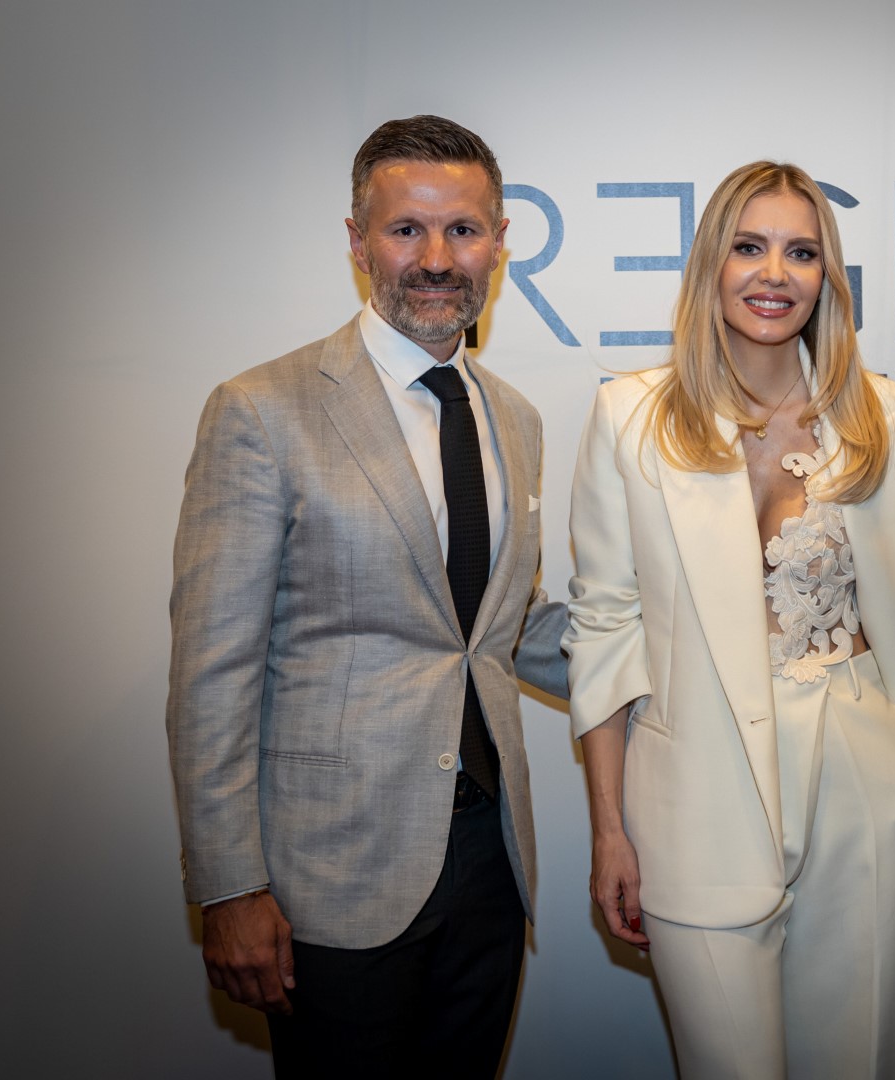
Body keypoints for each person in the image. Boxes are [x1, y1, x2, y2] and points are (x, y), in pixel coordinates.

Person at [165, 114, 567, 1078]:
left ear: (500, 243)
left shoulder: (513, 418)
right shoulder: (262, 410)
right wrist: (230, 887)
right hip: (331, 875)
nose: (436, 259)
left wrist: (691, 655)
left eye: (462, 230)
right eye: (405, 230)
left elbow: (500, 627)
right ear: (357, 242)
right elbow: (212, 670)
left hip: (488, 863)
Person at [564, 161, 895, 1078]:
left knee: (863, 1061)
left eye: (801, 252)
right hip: (695, 789)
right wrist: (609, 827)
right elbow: (604, 626)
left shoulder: (884, 414)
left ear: (826, 274)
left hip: (859, 767)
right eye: (749, 247)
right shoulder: (629, 415)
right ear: (710, 266)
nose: (774, 274)